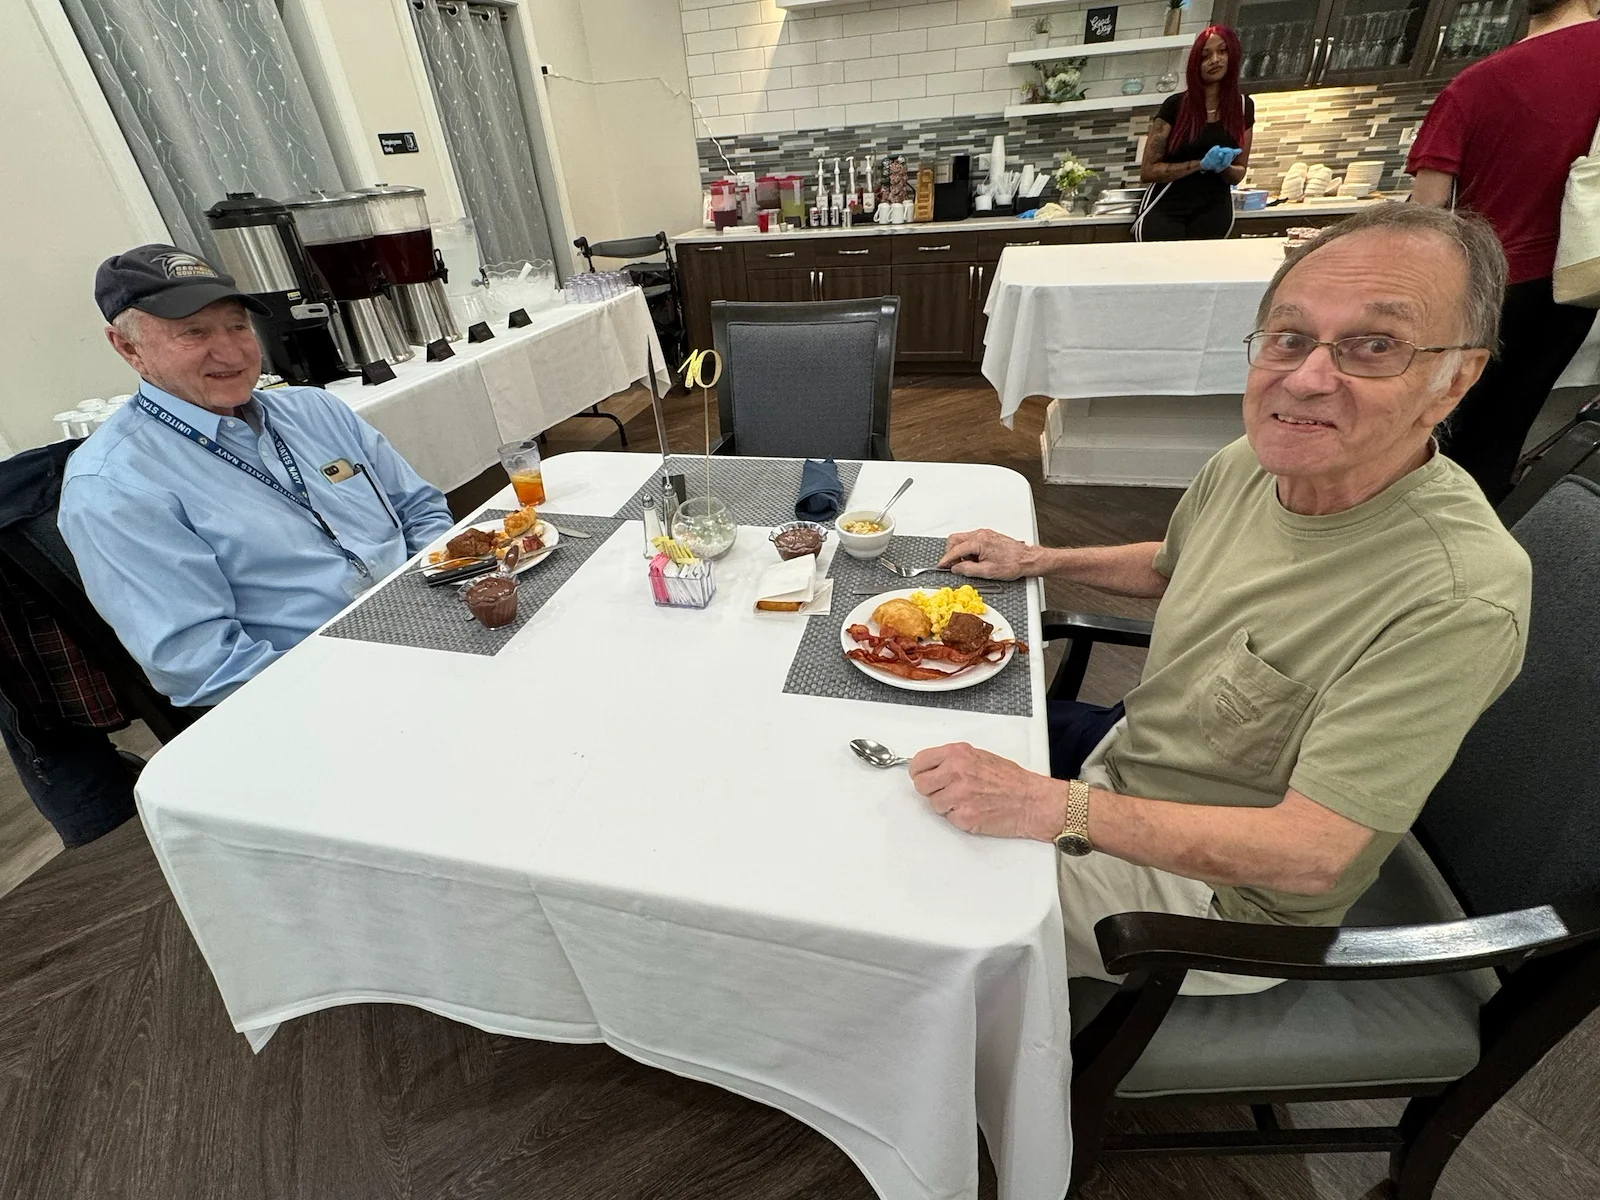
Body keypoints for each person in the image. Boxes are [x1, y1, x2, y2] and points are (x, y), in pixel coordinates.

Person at [911, 204, 1530, 995]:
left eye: (1375, 345)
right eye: (1290, 337)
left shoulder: (1456, 595)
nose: (1307, 379)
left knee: (893, 887)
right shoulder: (1254, 463)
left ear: (1456, 378)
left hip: (1220, 905)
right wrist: (1042, 558)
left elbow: (1312, 854)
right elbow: (1176, 565)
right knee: (894, 739)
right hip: (1125, 764)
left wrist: (1049, 806)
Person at [59, 245, 454, 708]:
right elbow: (203, 665)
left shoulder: (315, 410)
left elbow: (420, 509)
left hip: (437, 618)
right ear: (128, 347)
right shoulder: (113, 486)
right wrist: (370, 680)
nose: (232, 352)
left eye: (237, 325)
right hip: (320, 692)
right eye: (194, 332)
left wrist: (444, 589)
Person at [1407, 0, 1600, 503]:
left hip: (1487, 285)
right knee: (1503, 432)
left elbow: (1425, 216)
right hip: (1573, 283)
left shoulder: (1473, 85)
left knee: (1427, 435)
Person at [1133, 25, 1253, 242]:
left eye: (1222, 51)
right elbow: (1148, 171)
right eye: (1205, 56)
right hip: (1166, 208)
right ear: (1195, 64)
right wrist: (1201, 164)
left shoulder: (1243, 107)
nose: (1215, 60)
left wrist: (1224, 166)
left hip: (1215, 211)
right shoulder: (1175, 106)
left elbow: (1240, 171)